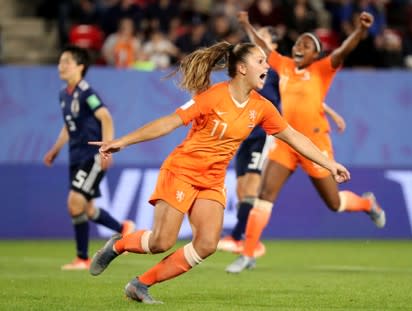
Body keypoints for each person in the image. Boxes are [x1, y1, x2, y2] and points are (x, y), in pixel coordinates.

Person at [87, 41, 350, 304]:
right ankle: (118, 245)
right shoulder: (214, 96)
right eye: (260, 61)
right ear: (242, 68)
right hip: (182, 171)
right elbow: (169, 122)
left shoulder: (262, 107)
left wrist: (329, 164)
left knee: (207, 244)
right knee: (161, 242)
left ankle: (140, 284)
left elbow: (293, 136)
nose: (267, 67)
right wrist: (123, 141)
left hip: (212, 180)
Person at [225, 11, 385, 274]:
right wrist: (245, 25)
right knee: (265, 195)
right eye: (298, 43)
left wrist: (359, 31)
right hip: (287, 143)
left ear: (316, 55)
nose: (300, 47)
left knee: (335, 204)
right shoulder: (285, 65)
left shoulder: (323, 69)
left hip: (316, 146)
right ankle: (249, 253)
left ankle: (367, 203)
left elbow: (344, 50)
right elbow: (263, 47)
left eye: (307, 45)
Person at [43, 45, 135, 270]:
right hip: (75, 156)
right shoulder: (64, 95)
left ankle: (82, 258)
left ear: (80, 67)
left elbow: (106, 117)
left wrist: (107, 148)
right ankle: (123, 229)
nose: (61, 66)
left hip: (90, 156)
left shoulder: (87, 93)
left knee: (74, 204)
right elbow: (68, 126)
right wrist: (55, 150)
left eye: (67, 62)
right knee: (88, 208)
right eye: (60, 61)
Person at [217, 26, 282, 258]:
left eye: (263, 35)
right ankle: (246, 238)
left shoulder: (275, 68)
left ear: (273, 44)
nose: (256, 37)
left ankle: (238, 238)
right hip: (244, 133)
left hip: (262, 133)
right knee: (241, 187)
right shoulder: (255, 66)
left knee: (252, 185)